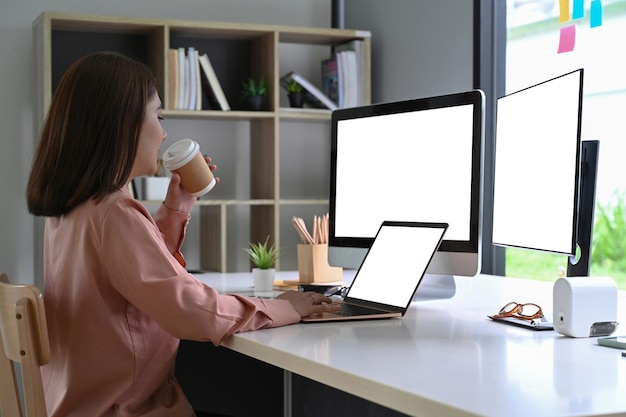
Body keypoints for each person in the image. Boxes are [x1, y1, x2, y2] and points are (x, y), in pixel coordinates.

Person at [26, 51, 339, 417]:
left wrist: (176, 210)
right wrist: (282, 308)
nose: (163, 132)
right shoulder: (114, 212)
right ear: (122, 124)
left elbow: (130, 278)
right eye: (158, 116)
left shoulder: (73, 210)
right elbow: (189, 310)